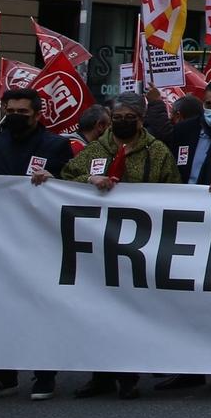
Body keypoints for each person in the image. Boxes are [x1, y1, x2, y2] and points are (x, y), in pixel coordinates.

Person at [58, 93, 178, 399]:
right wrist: (91, 178)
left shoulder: (158, 151)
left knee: (133, 308)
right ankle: (101, 374)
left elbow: (174, 189)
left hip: (140, 243)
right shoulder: (98, 148)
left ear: (140, 120)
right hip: (99, 242)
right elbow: (67, 176)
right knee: (101, 309)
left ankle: (128, 374)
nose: (123, 122)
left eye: (130, 117)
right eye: (118, 116)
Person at [0, 87, 73, 401]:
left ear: (38, 114)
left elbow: (71, 185)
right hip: (0, 240)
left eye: (22, 112)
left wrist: (54, 178)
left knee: (42, 305)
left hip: (41, 238)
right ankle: (3, 375)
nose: (16, 117)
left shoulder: (57, 145)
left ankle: (44, 374)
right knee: (1, 306)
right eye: (10, 111)